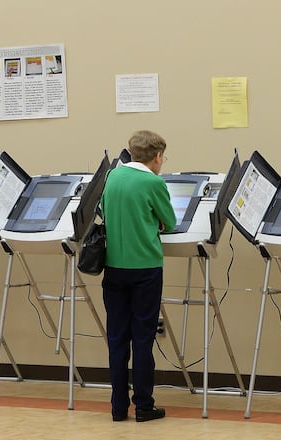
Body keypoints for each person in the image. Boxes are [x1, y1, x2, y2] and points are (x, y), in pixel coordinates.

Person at [101, 130, 176, 422]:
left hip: (114, 267)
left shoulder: (113, 177)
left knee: (117, 338)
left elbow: (104, 212)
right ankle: (144, 405)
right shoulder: (153, 182)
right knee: (143, 339)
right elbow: (168, 222)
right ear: (156, 157)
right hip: (145, 268)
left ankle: (118, 408)